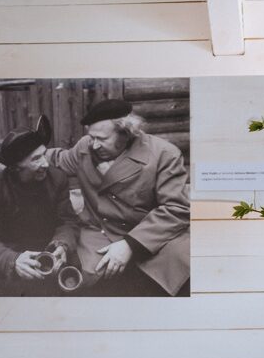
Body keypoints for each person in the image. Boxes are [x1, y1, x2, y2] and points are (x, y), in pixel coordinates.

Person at [46, 99, 190, 296]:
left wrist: (130, 245)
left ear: (126, 132)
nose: (94, 145)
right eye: (91, 137)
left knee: (174, 274)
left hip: (151, 236)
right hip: (100, 233)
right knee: (77, 282)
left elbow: (176, 209)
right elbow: (57, 159)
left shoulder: (164, 154)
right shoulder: (85, 147)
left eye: (101, 139)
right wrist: (23, 153)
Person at [0, 117, 79, 296]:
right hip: (9, 248)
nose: (45, 163)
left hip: (48, 246)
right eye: (36, 159)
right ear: (16, 168)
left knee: (74, 270)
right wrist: (13, 260)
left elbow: (67, 222)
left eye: (44, 154)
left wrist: (62, 244)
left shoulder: (58, 179)